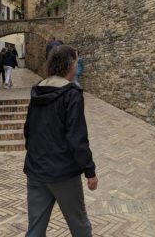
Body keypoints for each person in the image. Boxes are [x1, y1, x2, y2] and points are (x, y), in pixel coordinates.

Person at [24, 45, 98, 237]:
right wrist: (90, 170)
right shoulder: (71, 94)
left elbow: (28, 130)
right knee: (80, 226)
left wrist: (35, 157)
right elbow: (77, 138)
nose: (77, 66)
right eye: (76, 61)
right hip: (63, 173)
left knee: (35, 229)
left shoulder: (37, 91)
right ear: (70, 64)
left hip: (36, 170)